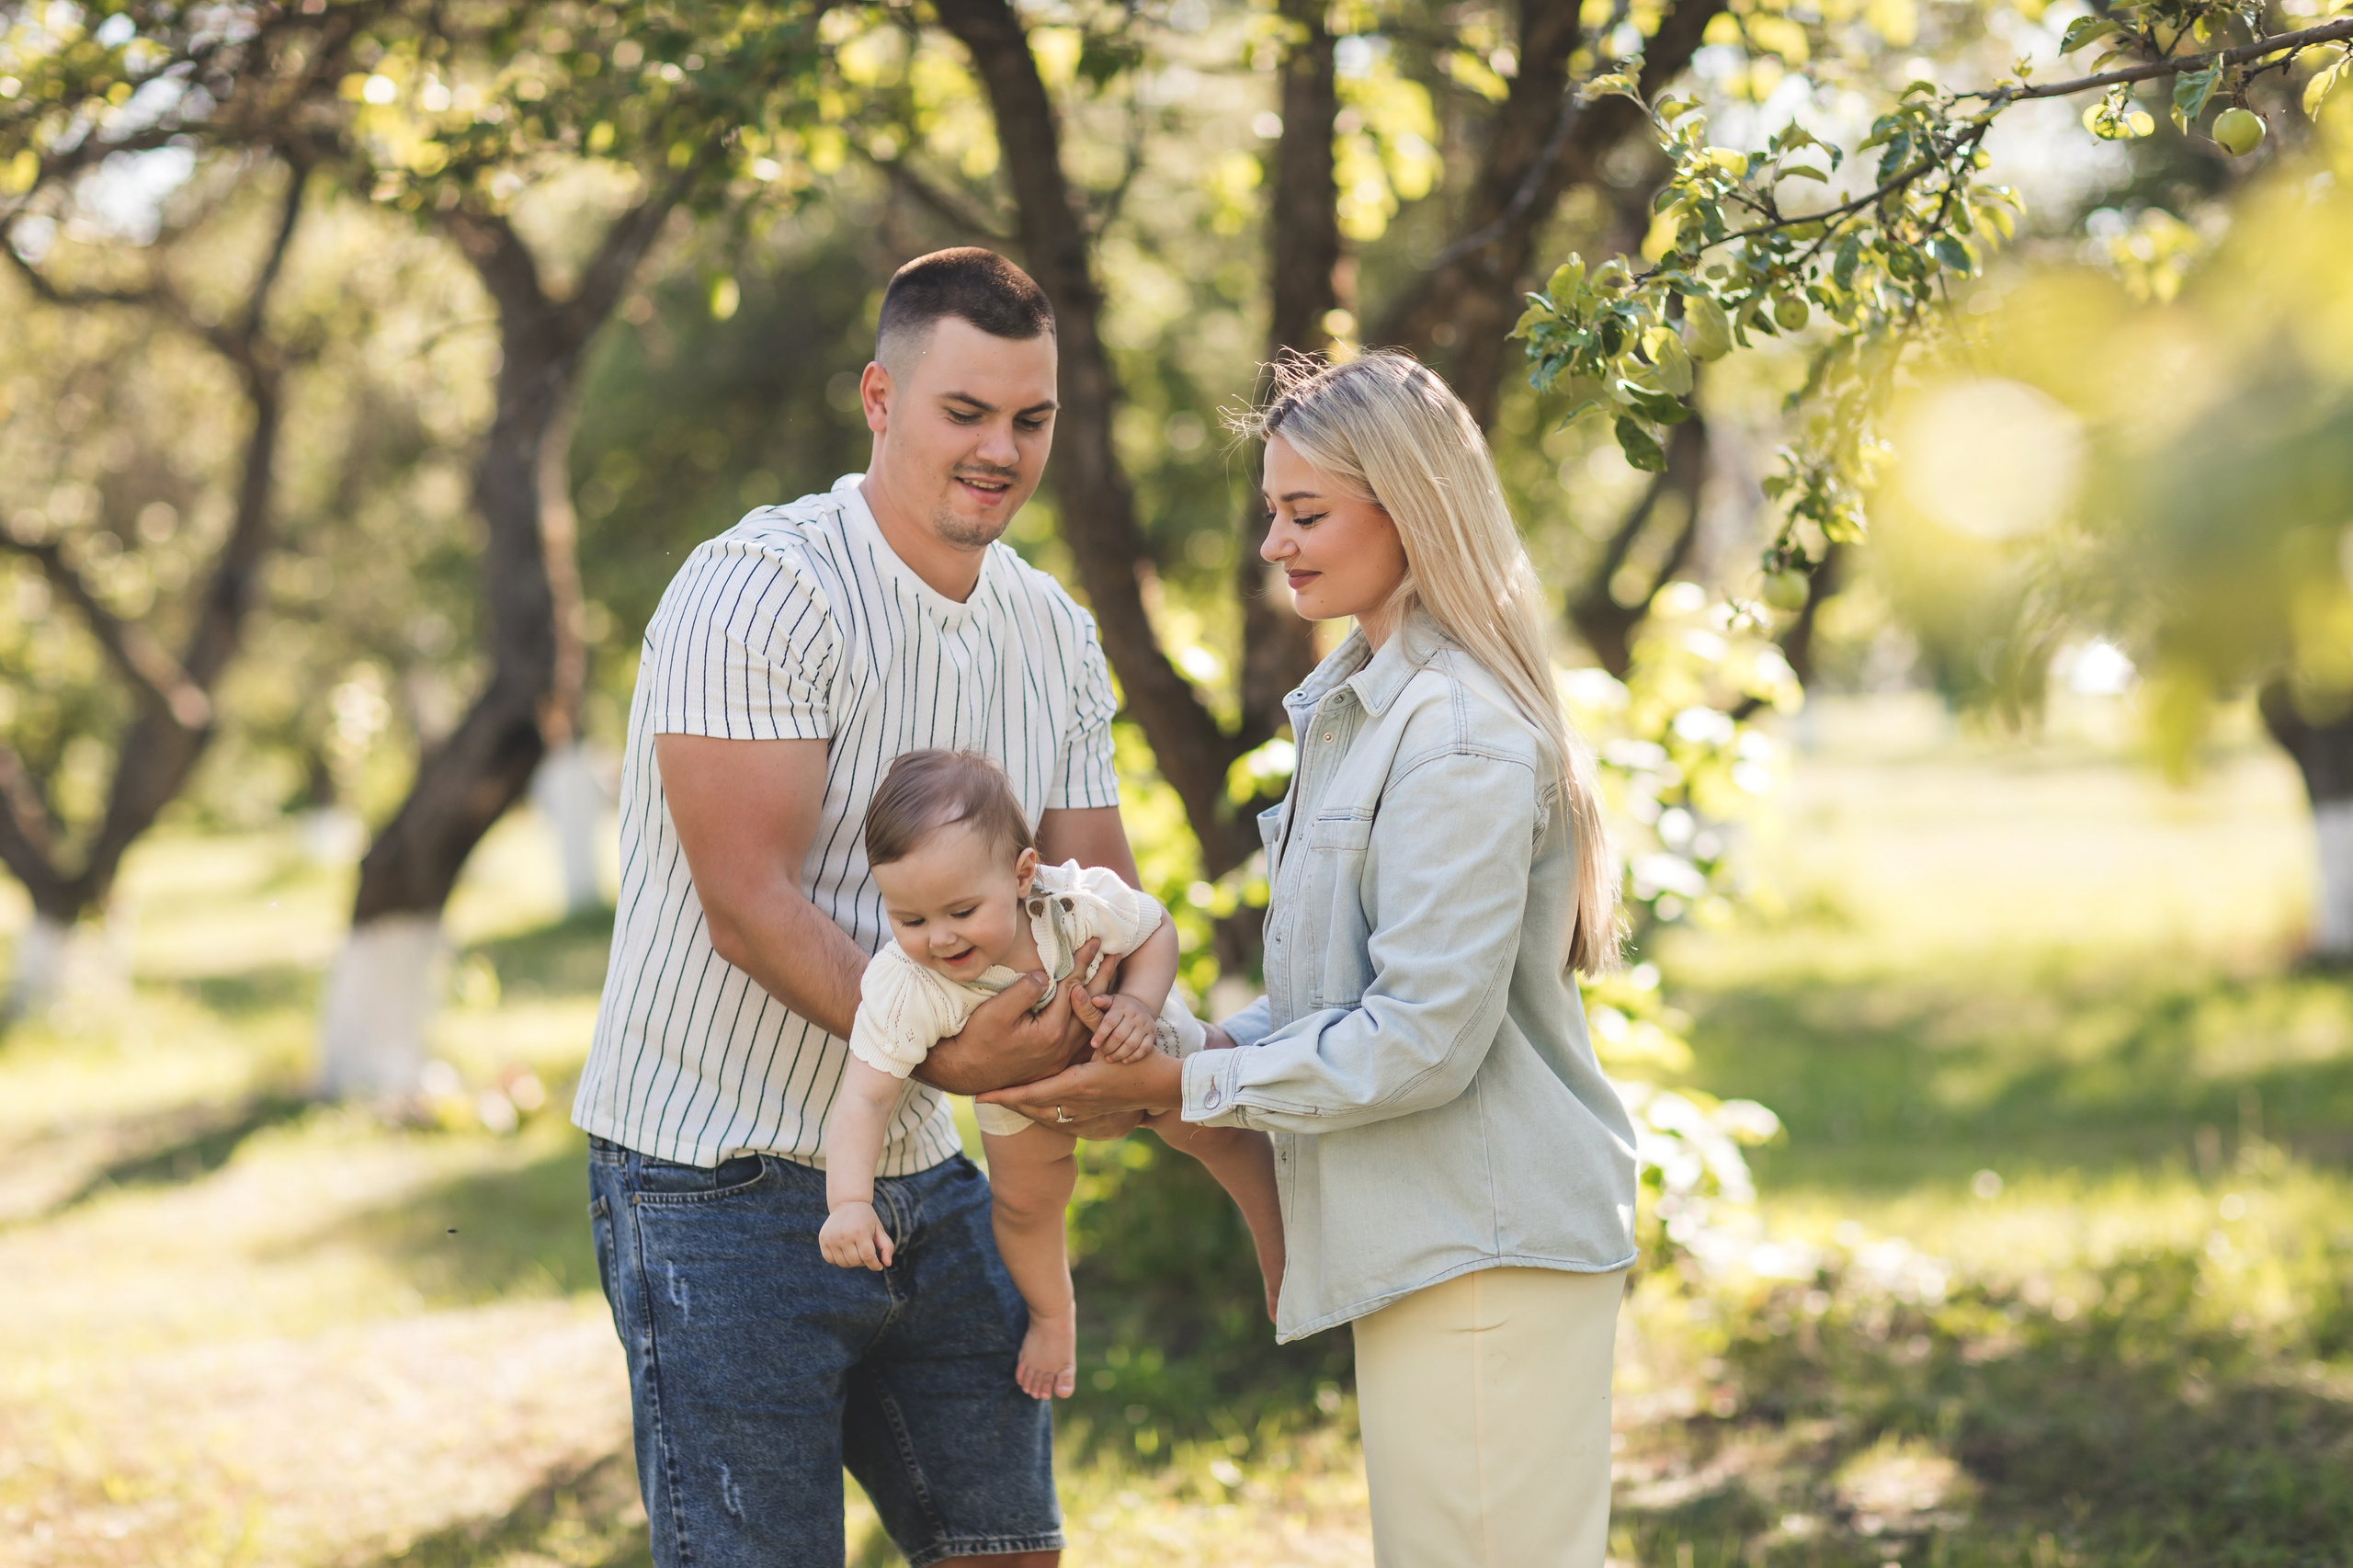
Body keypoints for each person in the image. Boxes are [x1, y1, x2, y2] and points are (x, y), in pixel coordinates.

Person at [572, 248, 1273, 1568]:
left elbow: (1100, 902)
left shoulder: (1054, 631)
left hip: (934, 1175)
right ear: (881, 399)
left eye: (1031, 418)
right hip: (712, 1175)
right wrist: (951, 1056)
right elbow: (747, 902)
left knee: (1007, 1549)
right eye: (966, 411)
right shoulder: (760, 588)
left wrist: (1139, 1052)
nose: (1001, 449)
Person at [983, 351, 1642, 1567]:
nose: (1274, 543)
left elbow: (1422, 1041)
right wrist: (1174, 1046)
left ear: (1408, 508)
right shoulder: (1366, 707)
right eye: (1271, 511)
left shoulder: (1454, 735)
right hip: (1438, 1244)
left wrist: (1188, 1083)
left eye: (1306, 512)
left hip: (1487, 1251)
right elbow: (1336, 1003)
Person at [818, 749, 1283, 1399]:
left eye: (961, 911)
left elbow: (1155, 928)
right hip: (1022, 1092)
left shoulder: (1074, 901)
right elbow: (865, 1097)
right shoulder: (906, 983)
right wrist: (848, 1202)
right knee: (1022, 1203)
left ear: (1022, 874)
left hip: (1131, 1042)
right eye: (910, 920)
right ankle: (1053, 1315)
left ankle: (1281, 1257)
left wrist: (1138, 1003)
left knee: (1213, 1129)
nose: (940, 939)